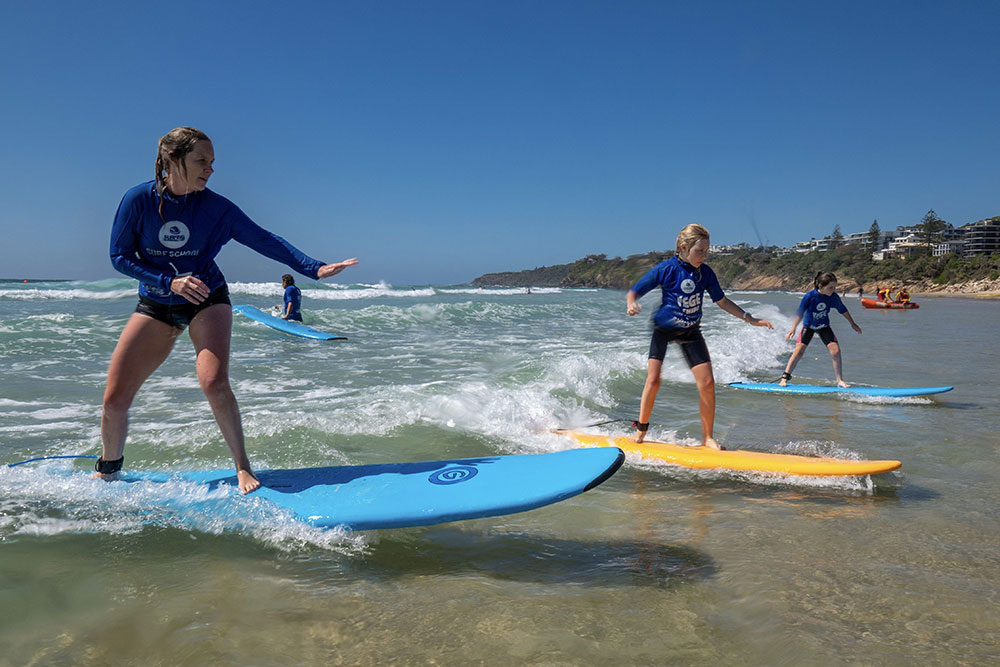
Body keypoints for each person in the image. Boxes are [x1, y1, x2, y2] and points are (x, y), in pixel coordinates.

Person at [99, 127, 358, 493]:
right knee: (114, 398)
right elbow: (119, 256)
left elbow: (263, 239)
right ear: (173, 160)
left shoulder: (216, 208)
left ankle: (242, 467)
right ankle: (108, 469)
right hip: (157, 301)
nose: (210, 169)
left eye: (212, 162)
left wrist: (314, 268)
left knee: (213, 382)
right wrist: (168, 281)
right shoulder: (138, 200)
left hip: (207, 297)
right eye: (201, 161)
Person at [626, 224, 774, 449]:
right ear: (684, 247)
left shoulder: (705, 273)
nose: (704, 256)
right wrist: (631, 304)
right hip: (663, 329)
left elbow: (722, 301)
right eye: (700, 251)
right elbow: (634, 291)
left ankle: (707, 438)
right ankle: (641, 429)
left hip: (691, 331)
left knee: (707, 383)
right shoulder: (666, 269)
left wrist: (749, 318)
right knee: (654, 380)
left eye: (707, 251)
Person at [779, 272, 862, 388]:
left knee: (836, 351)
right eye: (830, 288)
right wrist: (793, 328)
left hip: (824, 326)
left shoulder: (833, 297)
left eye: (834, 287)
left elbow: (842, 309)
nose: (833, 290)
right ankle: (784, 378)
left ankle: (840, 380)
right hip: (809, 327)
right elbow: (800, 312)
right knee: (798, 352)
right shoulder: (810, 296)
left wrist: (852, 323)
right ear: (820, 286)